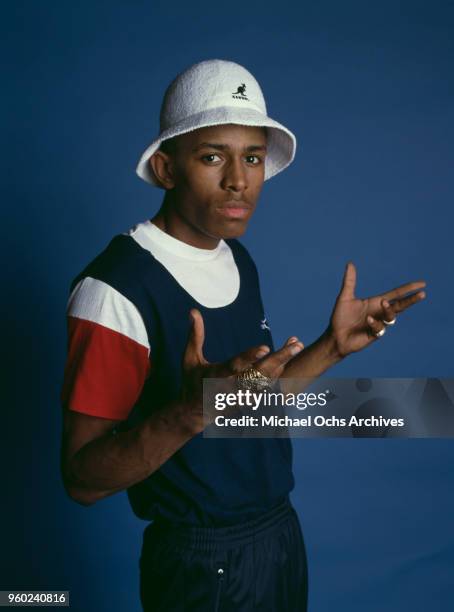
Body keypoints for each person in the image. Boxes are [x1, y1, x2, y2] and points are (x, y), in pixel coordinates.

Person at [60, 59, 426, 611]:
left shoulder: (238, 260)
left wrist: (332, 346)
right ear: (166, 168)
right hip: (201, 561)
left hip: (277, 537)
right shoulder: (114, 289)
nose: (240, 180)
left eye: (252, 158)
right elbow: (82, 479)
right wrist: (190, 411)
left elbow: (248, 408)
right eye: (213, 157)